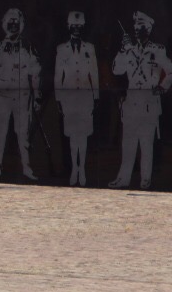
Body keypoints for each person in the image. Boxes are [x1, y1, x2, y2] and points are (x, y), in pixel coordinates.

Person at [109, 11, 172, 190]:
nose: (136, 29)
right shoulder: (129, 49)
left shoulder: (158, 50)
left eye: (141, 26)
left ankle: (145, 180)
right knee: (128, 145)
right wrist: (123, 50)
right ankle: (123, 179)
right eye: (135, 26)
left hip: (149, 103)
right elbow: (116, 70)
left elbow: (170, 71)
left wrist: (162, 88)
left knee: (146, 145)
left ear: (148, 29)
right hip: (132, 102)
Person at [0, 8, 41, 182]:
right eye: (10, 21)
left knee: (22, 135)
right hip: (2, 96)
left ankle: (26, 168)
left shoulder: (28, 47)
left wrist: (36, 95)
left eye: (17, 21)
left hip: (22, 96)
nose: (13, 25)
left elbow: (35, 72)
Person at [55, 11, 99, 187]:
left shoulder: (90, 48)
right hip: (69, 98)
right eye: (74, 26)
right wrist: (58, 98)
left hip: (85, 97)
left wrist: (96, 96)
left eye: (80, 27)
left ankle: (83, 169)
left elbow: (94, 73)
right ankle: (75, 168)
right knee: (73, 136)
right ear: (68, 27)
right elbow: (58, 76)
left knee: (84, 135)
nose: (77, 29)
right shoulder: (61, 49)